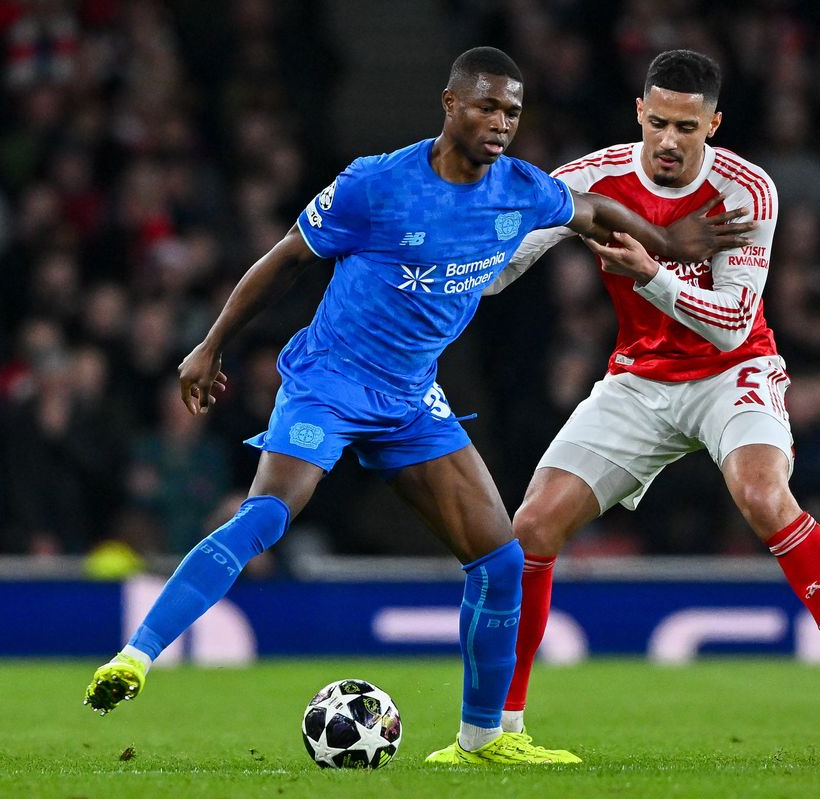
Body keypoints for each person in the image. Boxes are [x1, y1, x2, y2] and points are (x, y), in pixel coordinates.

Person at [82, 46, 754, 766]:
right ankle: (135, 656)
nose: (501, 123)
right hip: (331, 383)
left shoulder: (520, 189)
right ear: (450, 104)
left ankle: (482, 741)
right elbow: (286, 256)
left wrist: (667, 239)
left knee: (499, 562)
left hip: (409, 398)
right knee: (269, 514)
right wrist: (209, 345)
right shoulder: (375, 183)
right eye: (488, 106)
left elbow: (592, 211)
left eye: (513, 112)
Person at [486, 50, 820, 757]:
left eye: (687, 126)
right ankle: (505, 730)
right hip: (639, 381)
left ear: (713, 123)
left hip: (731, 371)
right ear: (639, 116)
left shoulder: (746, 190)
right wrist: (463, 254)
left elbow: (732, 321)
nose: (670, 140)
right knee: (531, 527)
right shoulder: (589, 178)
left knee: (763, 494)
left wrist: (650, 273)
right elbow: (503, 273)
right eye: (658, 123)